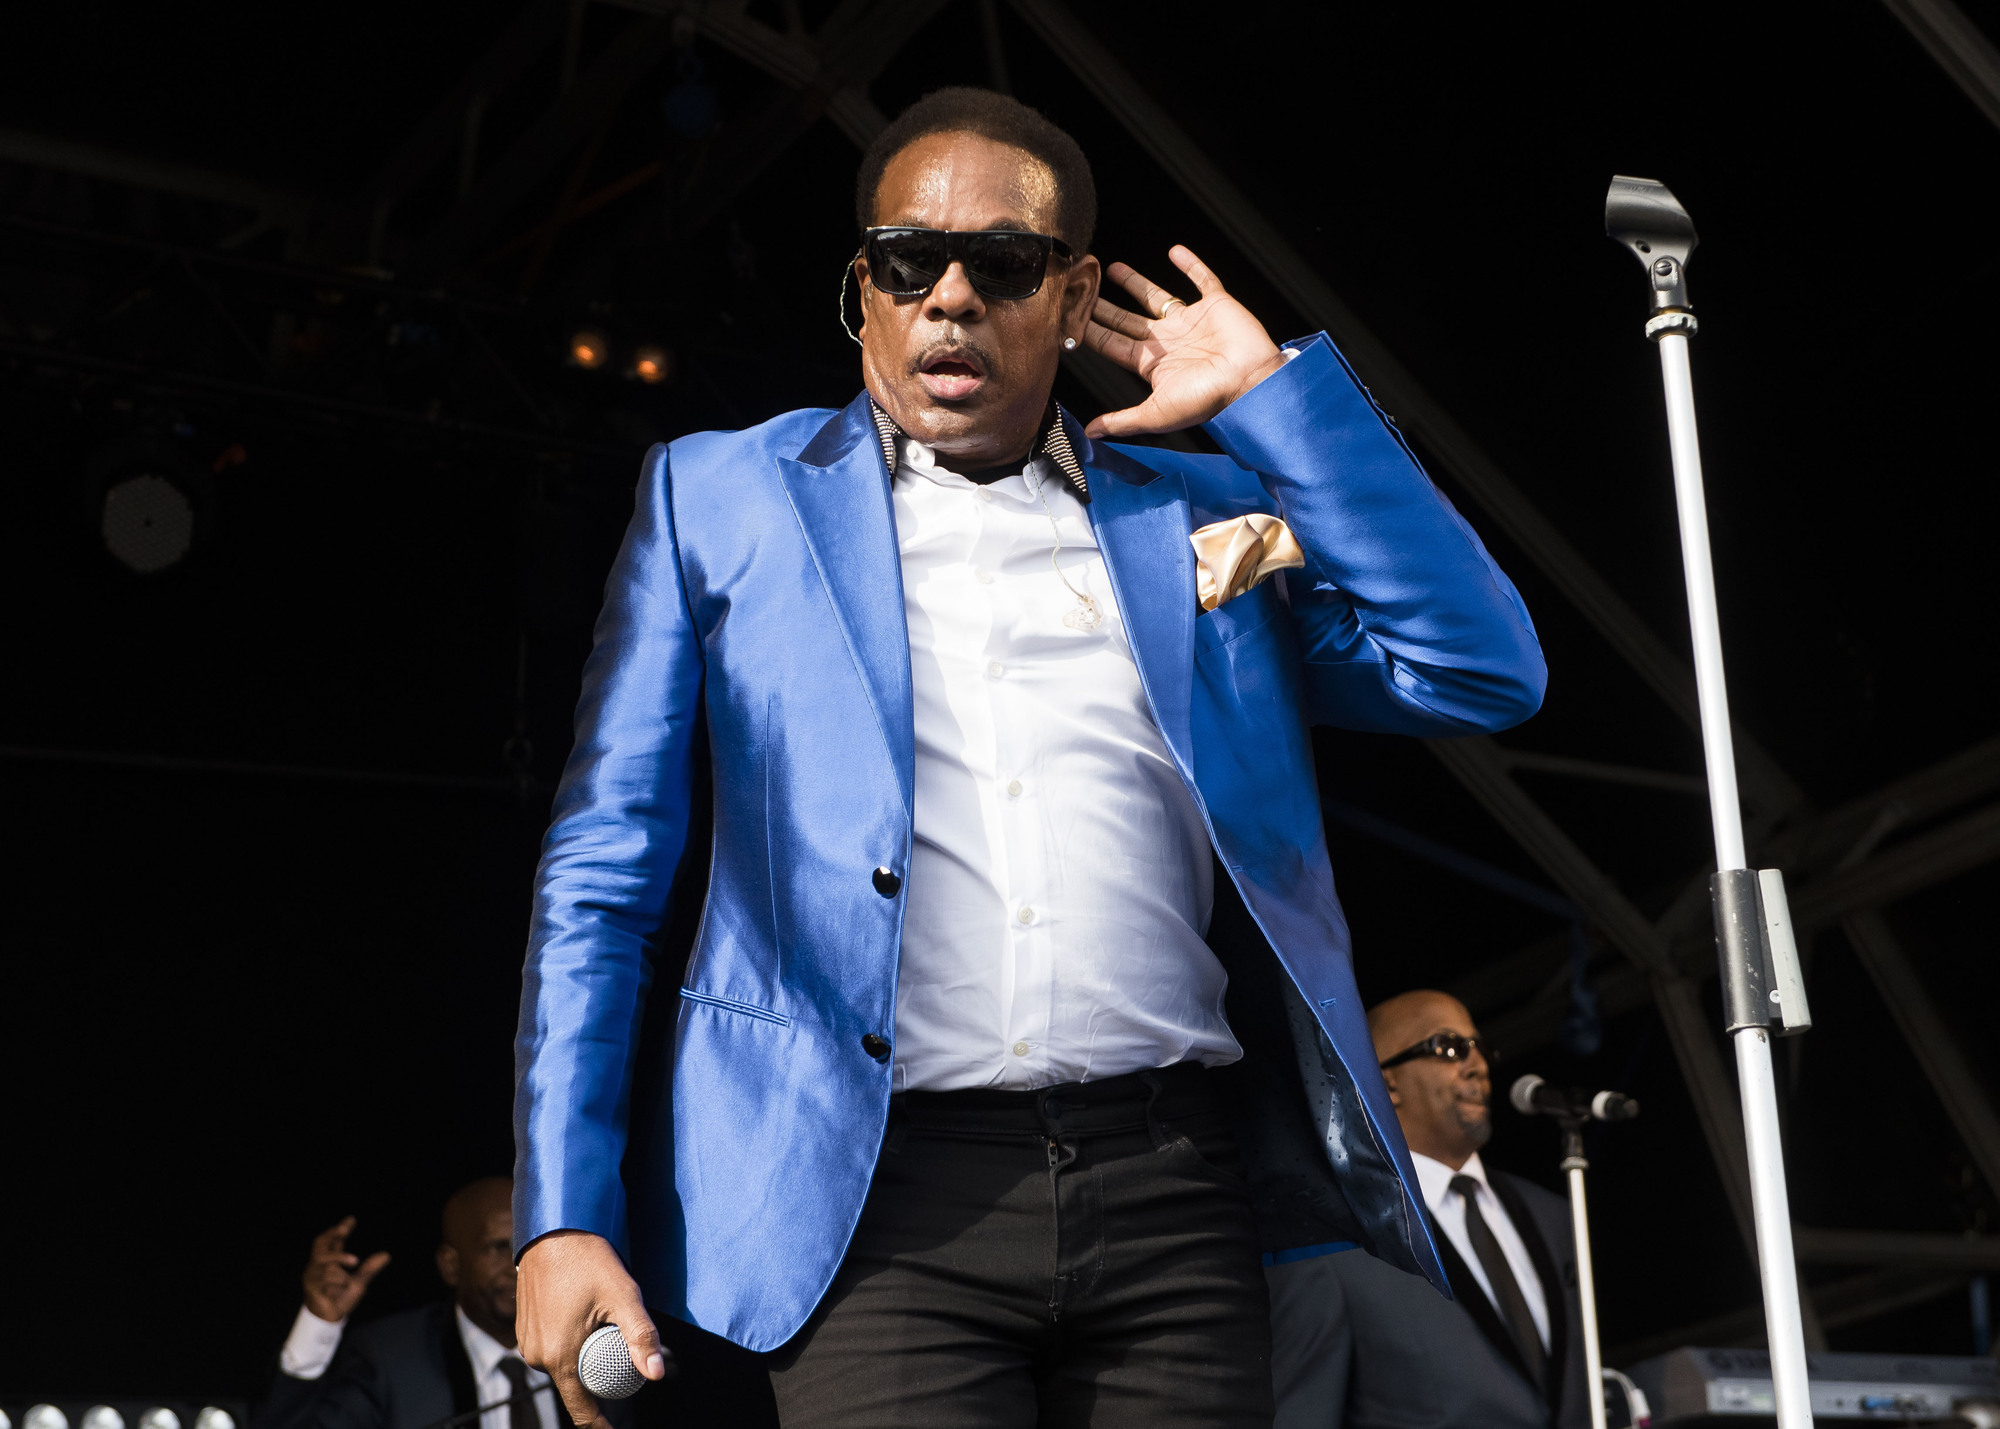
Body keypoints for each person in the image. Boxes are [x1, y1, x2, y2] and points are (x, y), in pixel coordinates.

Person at [512, 86, 1547, 1429]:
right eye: (907, 261)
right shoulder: (718, 500)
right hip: (873, 1196)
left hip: (1173, 1183)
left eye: (999, 263)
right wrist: (563, 1214)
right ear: (863, 291)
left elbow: (1480, 669)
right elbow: (602, 873)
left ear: (1071, 297)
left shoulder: (1197, 511)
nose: (948, 297)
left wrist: (1273, 402)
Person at [1264, 991, 1593, 1429]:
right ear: (1387, 1083)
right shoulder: (1335, 1247)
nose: (1477, 1065)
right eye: (1448, 1047)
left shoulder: (1554, 1215)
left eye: (1479, 1047)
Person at [257, 1178, 585, 1429]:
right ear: (450, 1266)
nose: (518, 1266)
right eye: (498, 1248)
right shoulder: (389, 1359)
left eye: (530, 1246)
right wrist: (318, 1323)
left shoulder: (591, 1349)